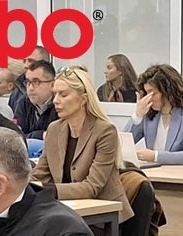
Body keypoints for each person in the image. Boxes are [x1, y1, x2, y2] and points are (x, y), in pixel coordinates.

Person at [31, 66, 133, 223]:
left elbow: (91, 187)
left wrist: (47, 189)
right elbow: (40, 175)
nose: (56, 100)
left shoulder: (105, 131)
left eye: (63, 94)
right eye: (55, 94)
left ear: (83, 99)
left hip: (102, 219)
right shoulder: (54, 129)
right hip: (66, 214)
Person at [125, 64, 183, 165]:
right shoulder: (148, 114)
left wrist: (155, 156)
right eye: (146, 93)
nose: (148, 98)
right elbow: (122, 144)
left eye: (152, 93)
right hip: (155, 172)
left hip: (182, 173)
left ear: (167, 91)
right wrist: (137, 115)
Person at [14, 60, 59, 139]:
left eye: (36, 82)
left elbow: (58, 137)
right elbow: (16, 136)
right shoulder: (23, 103)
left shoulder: (60, 104)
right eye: (28, 82)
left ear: (52, 85)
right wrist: (41, 135)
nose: (30, 88)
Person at [9, 46, 51, 112]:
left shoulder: (58, 93)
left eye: (31, 61)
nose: (25, 65)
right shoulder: (16, 93)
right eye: (24, 61)